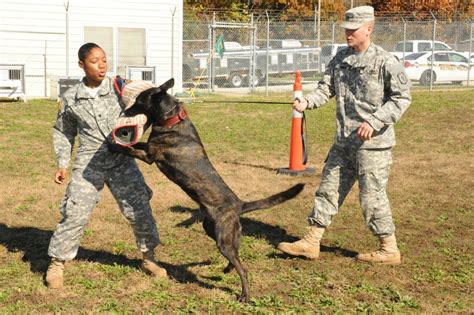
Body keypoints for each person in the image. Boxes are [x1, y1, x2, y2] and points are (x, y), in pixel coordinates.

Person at [277, 6, 411, 265]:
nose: (348, 34)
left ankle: (389, 248)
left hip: (373, 145)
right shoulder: (340, 58)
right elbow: (325, 89)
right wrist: (307, 102)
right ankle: (311, 241)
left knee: (372, 196)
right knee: (328, 189)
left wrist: (375, 121)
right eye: (346, 29)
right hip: (343, 141)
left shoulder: (385, 61)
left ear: (368, 29)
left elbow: (401, 98)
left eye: (353, 30)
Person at [46, 43, 167, 289]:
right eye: (95, 61)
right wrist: (62, 163)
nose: (102, 65)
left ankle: (149, 258)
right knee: (75, 211)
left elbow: (147, 103)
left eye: (104, 60)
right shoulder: (71, 98)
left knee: (139, 207)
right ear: (81, 65)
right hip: (89, 163)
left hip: (121, 158)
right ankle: (57, 263)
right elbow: (63, 132)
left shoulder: (119, 88)